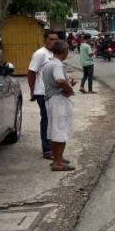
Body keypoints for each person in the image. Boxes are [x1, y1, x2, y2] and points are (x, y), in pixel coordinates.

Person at [42, 40, 76, 171]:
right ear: (64, 51)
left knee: (54, 130)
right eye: (67, 50)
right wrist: (69, 89)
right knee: (60, 131)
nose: (68, 52)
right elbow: (60, 80)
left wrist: (68, 84)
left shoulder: (48, 63)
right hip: (58, 100)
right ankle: (57, 162)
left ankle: (58, 158)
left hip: (51, 99)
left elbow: (59, 81)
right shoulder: (57, 65)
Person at [28, 30, 58, 160]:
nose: (54, 42)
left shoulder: (54, 54)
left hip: (52, 92)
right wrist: (33, 90)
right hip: (42, 92)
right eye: (51, 39)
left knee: (52, 120)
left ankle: (52, 148)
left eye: (56, 39)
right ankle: (46, 149)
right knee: (46, 119)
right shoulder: (40, 54)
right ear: (45, 40)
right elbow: (31, 72)